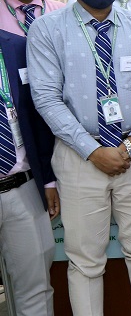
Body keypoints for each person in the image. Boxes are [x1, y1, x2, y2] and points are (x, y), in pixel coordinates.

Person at [28, 0, 131, 316]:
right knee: (85, 259)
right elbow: (46, 98)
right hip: (79, 156)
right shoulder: (47, 29)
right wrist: (93, 151)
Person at [0, 26, 58, 315]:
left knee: (36, 288)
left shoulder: (18, 46)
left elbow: (37, 117)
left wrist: (48, 180)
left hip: (22, 187)